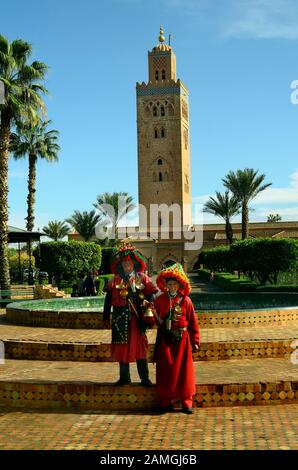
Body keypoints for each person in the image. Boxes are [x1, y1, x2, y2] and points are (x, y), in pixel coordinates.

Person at [103, 241, 158, 386]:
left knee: (140, 348)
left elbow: (151, 296)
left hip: (137, 319)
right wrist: (105, 316)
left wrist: (150, 313)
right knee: (121, 349)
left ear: (134, 263)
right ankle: (124, 377)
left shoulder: (143, 278)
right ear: (120, 264)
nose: (126, 264)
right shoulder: (114, 280)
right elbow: (108, 299)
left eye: (129, 262)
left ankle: (144, 378)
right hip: (119, 319)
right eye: (124, 262)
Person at [152, 263, 200, 414]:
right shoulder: (160, 301)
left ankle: (186, 402)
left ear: (179, 285)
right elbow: (153, 321)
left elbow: (193, 322)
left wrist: (195, 341)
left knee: (184, 372)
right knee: (165, 371)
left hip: (182, 341)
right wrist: (147, 312)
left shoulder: (186, 301)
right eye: (169, 284)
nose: (171, 287)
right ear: (165, 285)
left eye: (174, 284)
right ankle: (166, 402)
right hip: (165, 340)